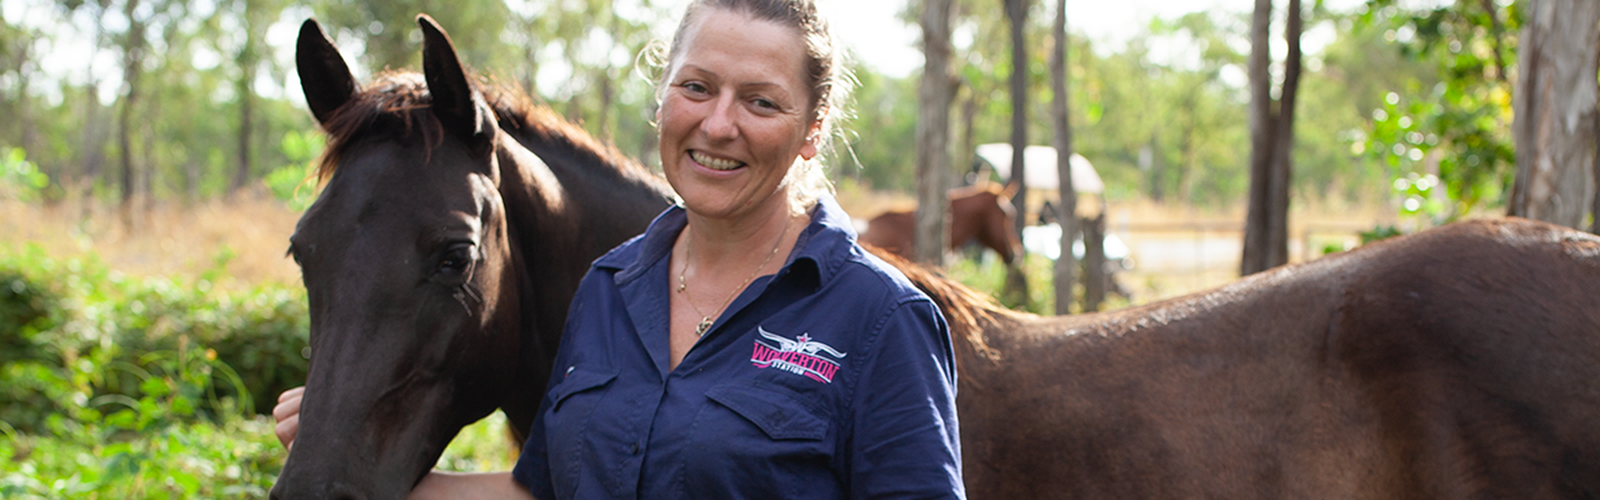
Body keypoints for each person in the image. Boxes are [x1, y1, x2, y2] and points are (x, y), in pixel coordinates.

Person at [274, 0, 965, 497]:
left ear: (812, 131)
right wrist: (344, 452)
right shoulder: (608, 288)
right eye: (696, 87)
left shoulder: (882, 319)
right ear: (663, 100)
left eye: (760, 102)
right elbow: (548, 488)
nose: (718, 124)